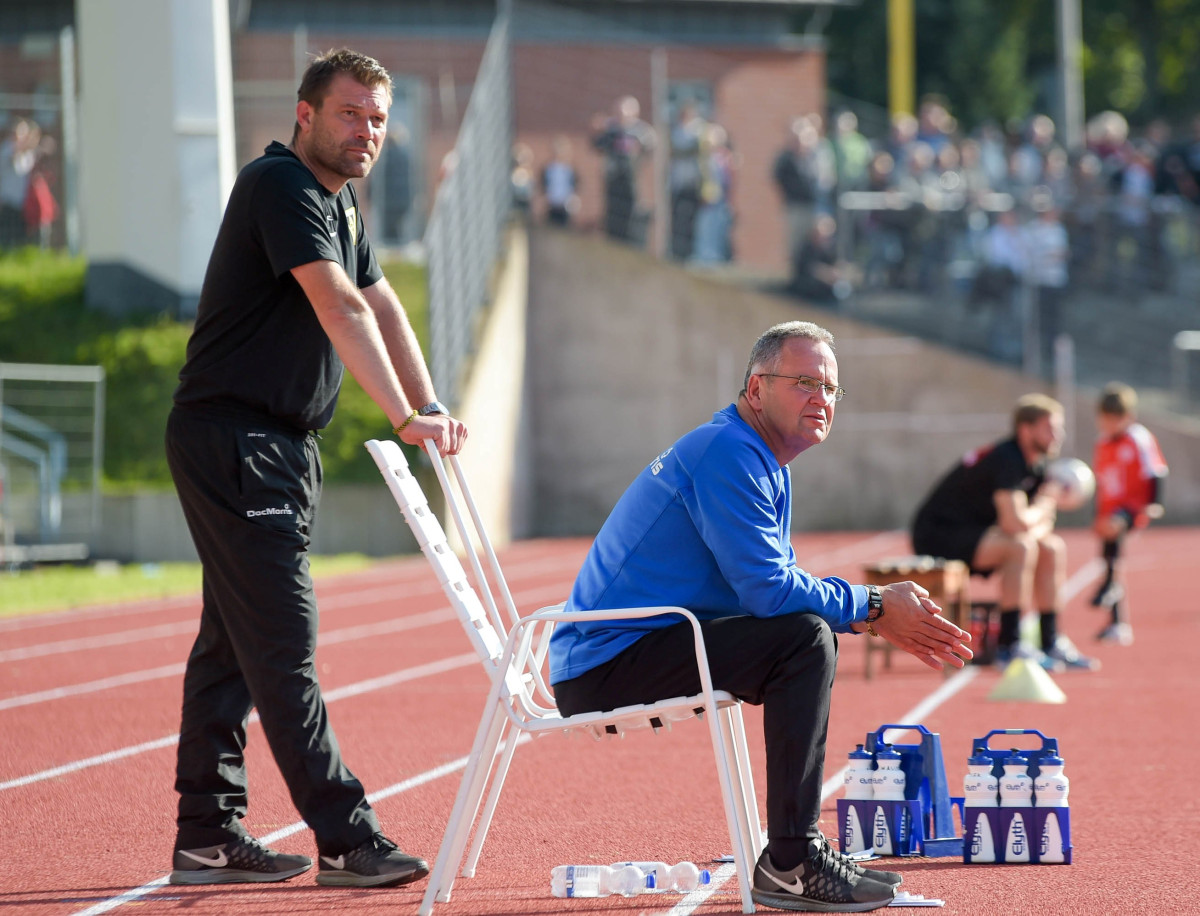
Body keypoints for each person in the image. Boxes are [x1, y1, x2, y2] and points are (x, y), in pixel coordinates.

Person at [165, 48, 467, 889]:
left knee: (231, 647)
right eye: (349, 113)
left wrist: (428, 402)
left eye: (378, 119)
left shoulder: (338, 201)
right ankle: (346, 837)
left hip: (276, 446)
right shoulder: (281, 186)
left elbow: (380, 303)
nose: (367, 131)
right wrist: (401, 418)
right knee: (281, 642)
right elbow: (337, 305)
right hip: (237, 438)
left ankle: (206, 833)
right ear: (305, 114)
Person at [550, 321, 972, 913]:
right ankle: (792, 861)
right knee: (803, 641)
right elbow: (770, 593)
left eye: (830, 388)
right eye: (804, 383)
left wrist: (868, 612)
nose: (821, 398)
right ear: (756, 388)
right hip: (605, 663)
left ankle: (795, 855)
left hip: (645, 643)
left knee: (804, 635)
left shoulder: (759, 457)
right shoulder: (728, 451)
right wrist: (873, 605)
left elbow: (773, 587)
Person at [911, 394, 1097, 671]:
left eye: (1059, 428)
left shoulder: (1037, 464)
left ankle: (1051, 641)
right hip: (939, 535)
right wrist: (1044, 504)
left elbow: (1039, 524)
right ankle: (1010, 645)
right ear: (1026, 429)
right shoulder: (1007, 458)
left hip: (978, 532)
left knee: (1051, 547)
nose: (1058, 435)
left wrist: (1036, 516)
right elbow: (1015, 524)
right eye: (1050, 428)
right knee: (1020, 546)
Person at [1089, 383, 1168, 645]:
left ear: (1127, 417)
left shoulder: (1138, 438)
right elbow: (1102, 482)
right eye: (1105, 419)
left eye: (1114, 419)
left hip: (1133, 507)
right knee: (1110, 556)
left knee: (1113, 541)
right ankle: (1116, 622)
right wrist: (1097, 514)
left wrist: (1154, 503)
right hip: (1111, 510)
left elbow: (1155, 470)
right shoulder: (1102, 444)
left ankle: (1107, 586)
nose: (1109, 425)